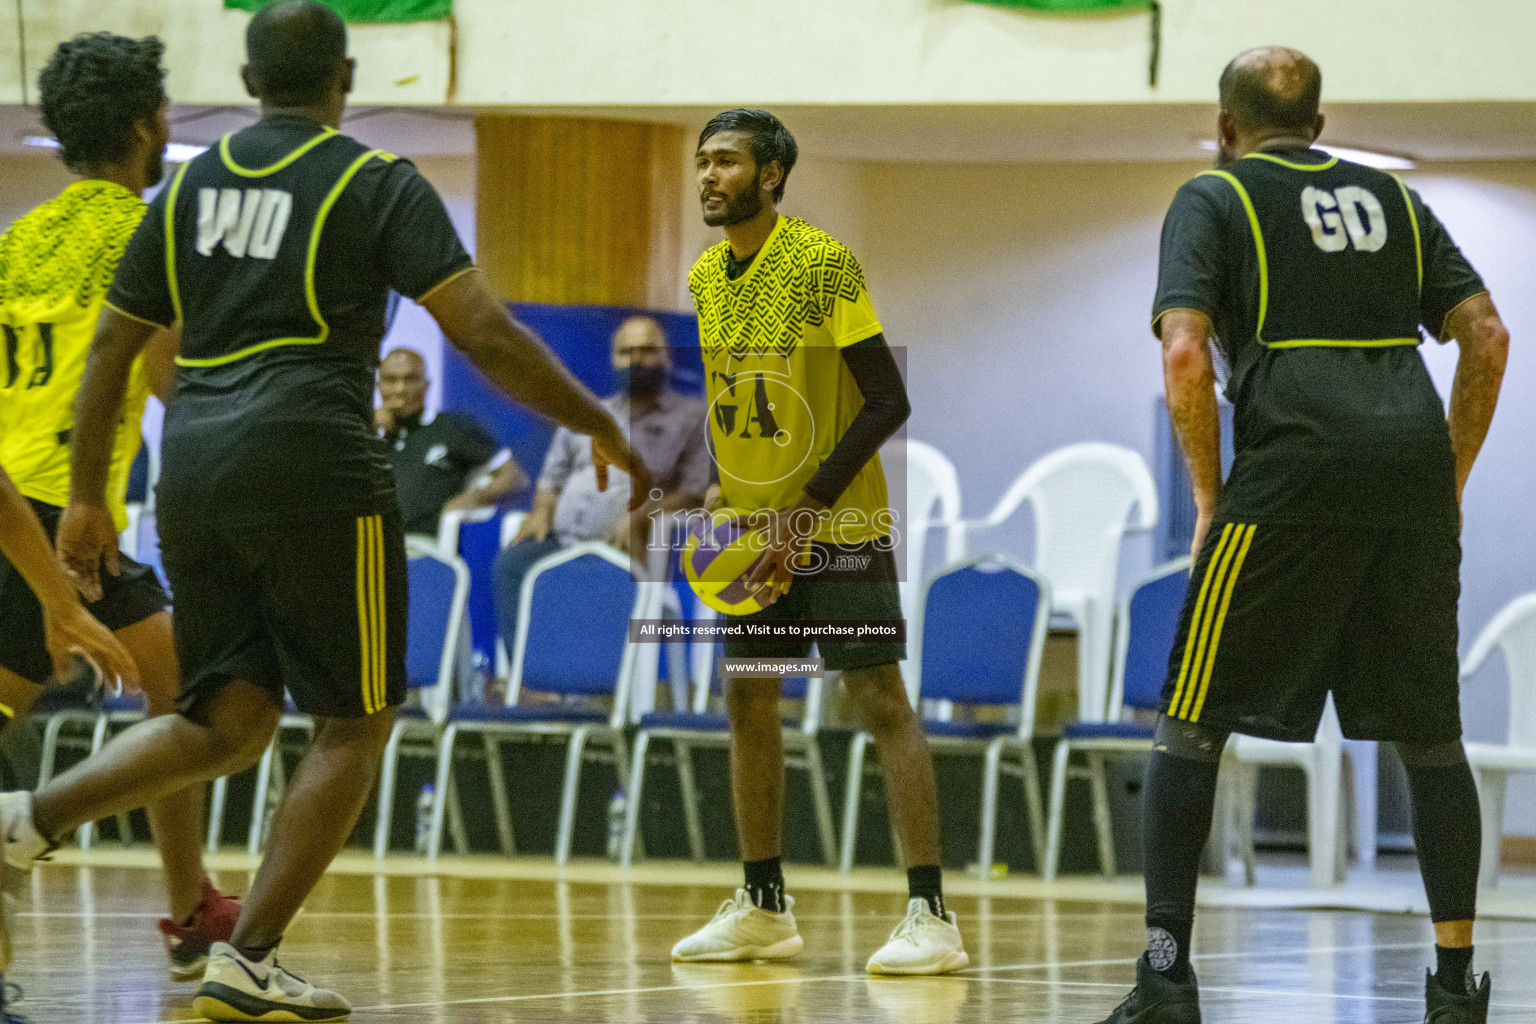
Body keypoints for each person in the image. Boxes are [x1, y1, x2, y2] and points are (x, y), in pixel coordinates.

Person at [7, 4, 647, 1021]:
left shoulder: (186, 190)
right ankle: (247, 955)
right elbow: (479, 328)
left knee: (229, 715)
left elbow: (111, 352)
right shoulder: (373, 180)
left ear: (251, 80)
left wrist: (91, 496)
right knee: (355, 718)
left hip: (193, 472)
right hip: (315, 464)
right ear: (343, 77)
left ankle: (23, 821)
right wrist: (599, 424)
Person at [1103, 47, 1509, 1024]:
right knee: (1430, 733)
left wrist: (1208, 497)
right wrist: (1447, 475)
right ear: (1319, 126)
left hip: (1291, 467)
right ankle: (1455, 990)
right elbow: (1488, 334)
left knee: (1190, 715)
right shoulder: (1392, 201)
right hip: (1410, 475)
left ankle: (1166, 975)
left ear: (1227, 127)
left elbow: (1187, 350)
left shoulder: (1215, 196)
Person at [672, 109, 966, 976]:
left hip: (833, 525)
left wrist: (802, 511)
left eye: (726, 161)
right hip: (751, 537)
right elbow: (743, 406)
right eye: (702, 162)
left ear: (771, 176)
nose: (708, 176)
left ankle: (931, 915)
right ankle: (762, 906)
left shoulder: (822, 262)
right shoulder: (704, 278)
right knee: (749, 698)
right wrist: (722, 498)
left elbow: (886, 401)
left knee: (879, 698)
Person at [0, 31, 240, 984]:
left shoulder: (16, 241)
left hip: (17, 502)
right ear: (152, 125)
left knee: (176, 687)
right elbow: (176, 386)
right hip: (60, 518)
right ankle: (49, 849)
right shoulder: (151, 236)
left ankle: (189, 905)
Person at [491, 314, 708, 647]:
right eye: (626, 352)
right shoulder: (589, 413)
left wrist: (641, 516)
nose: (635, 360)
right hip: (562, 541)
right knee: (512, 565)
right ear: (613, 360)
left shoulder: (692, 417)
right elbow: (552, 477)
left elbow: (695, 491)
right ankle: (532, 683)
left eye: (647, 350)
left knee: (608, 582)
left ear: (666, 356)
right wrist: (541, 510)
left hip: (633, 546)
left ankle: (605, 686)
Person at [376, 346, 526, 537]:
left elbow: (514, 477)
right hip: (369, 543)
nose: (400, 389)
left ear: (426, 385)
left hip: (426, 550)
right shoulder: (365, 433)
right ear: (378, 386)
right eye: (391, 380)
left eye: (411, 379)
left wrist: (473, 497)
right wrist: (368, 430)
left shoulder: (453, 428)